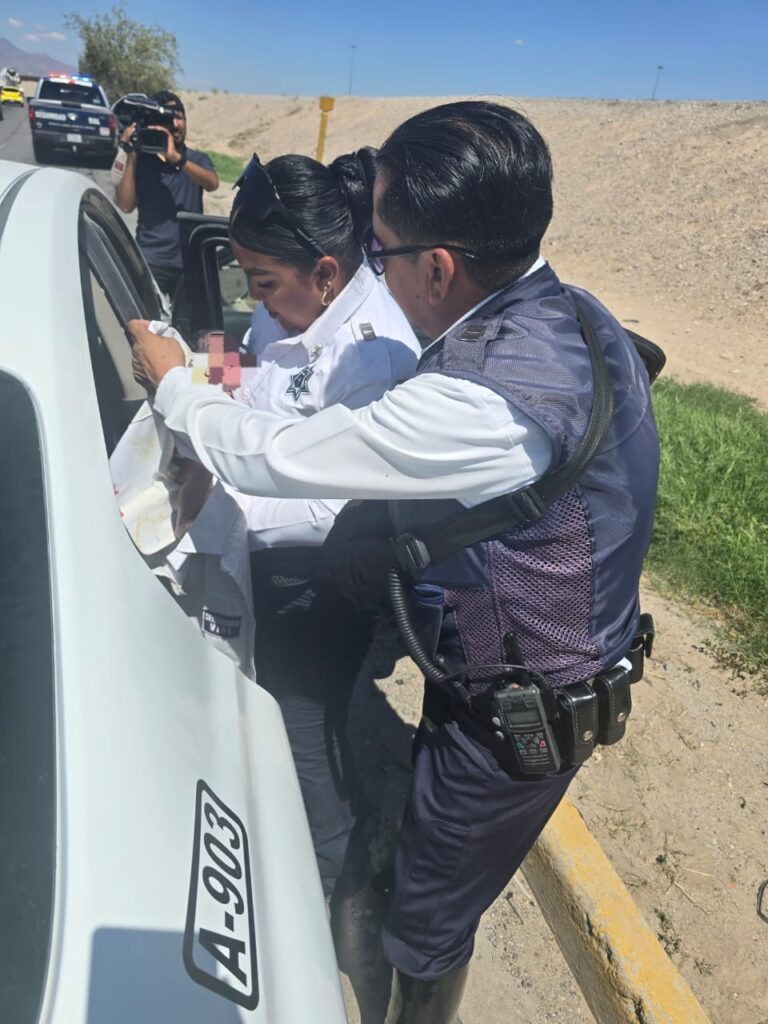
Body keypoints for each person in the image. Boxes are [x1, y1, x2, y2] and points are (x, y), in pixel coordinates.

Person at [129, 101, 660, 1024]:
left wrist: (174, 383)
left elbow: (276, 457)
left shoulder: (481, 403)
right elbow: (264, 378)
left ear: (439, 265)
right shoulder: (560, 311)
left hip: (516, 713)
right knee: (426, 860)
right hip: (494, 672)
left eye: (380, 249)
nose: (370, 268)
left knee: (427, 921)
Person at [116, 90, 219, 301]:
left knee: (191, 321)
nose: (175, 124)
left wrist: (178, 159)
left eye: (179, 117)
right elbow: (125, 205)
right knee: (147, 319)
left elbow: (212, 184)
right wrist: (131, 156)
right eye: (169, 119)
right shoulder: (141, 161)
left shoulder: (197, 160)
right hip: (151, 260)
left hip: (190, 261)